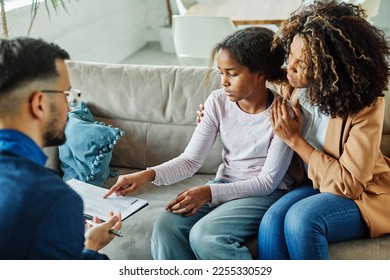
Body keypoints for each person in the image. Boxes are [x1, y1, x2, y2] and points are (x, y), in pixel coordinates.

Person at [104, 26, 294, 260]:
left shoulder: (283, 115)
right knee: (166, 226)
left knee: (206, 235)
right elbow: (191, 160)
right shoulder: (217, 101)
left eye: (232, 74)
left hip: (265, 193)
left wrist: (209, 192)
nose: (224, 82)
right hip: (226, 181)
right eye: (221, 73)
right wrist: (146, 175)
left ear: (260, 74)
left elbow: (266, 182)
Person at [256, 0, 390, 259]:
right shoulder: (293, 85)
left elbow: (349, 184)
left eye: (302, 63)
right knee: (271, 221)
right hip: (315, 185)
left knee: (301, 219)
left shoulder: (365, 106)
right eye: (291, 55)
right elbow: (248, 83)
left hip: (362, 194)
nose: (290, 67)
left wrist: (295, 140)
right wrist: (214, 112)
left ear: (331, 68)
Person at [0, 37, 121, 259]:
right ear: (39, 104)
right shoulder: (52, 199)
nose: (69, 107)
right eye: (66, 95)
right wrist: (90, 250)